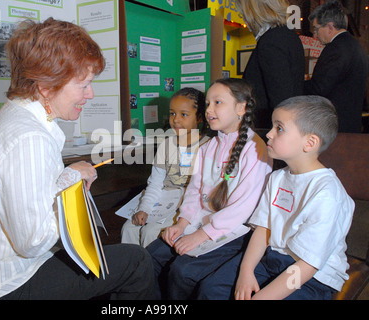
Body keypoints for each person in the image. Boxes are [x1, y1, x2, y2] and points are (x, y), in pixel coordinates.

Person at [0, 18, 155, 300]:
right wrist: (69, 179)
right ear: (46, 85)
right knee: (136, 262)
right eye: (83, 85)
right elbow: (33, 241)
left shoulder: (17, 116)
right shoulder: (28, 138)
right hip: (2, 286)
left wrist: (68, 175)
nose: (89, 94)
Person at [197, 96, 354, 300]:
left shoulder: (327, 194)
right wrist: (246, 272)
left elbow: (307, 266)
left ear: (310, 142)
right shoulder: (277, 178)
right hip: (273, 257)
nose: (269, 134)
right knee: (211, 289)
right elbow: (264, 228)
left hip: (312, 275)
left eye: (279, 128)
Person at [146, 78, 273, 299]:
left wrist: (201, 235)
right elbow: (194, 190)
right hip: (201, 220)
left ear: (241, 108)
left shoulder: (256, 150)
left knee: (182, 271)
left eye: (218, 103)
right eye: (207, 104)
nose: (209, 110)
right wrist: (182, 223)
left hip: (234, 229)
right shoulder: (210, 146)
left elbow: (242, 208)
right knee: (151, 256)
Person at [121, 87, 211, 247]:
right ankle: (131, 270)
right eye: (172, 113)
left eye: (184, 114)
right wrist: (144, 209)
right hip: (162, 200)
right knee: (129, 228)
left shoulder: (208, 146)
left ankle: (150, 271)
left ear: (198, 117)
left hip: (188, 204)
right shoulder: (166, 145)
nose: (176, 120)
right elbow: (155, 183)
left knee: (152, 232)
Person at [235, 0, 305, 129]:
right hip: (287, 125)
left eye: (243, 12)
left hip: (268, 129)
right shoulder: (289, 36)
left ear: (254, 11)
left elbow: (281, 97)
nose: (243, 17)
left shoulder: (271, 41)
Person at [305, 0, 369, 133]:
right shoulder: (355, 46)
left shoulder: (336, 48)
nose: (315, 35)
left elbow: (319, 88)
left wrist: (293, 85)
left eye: (317, 29)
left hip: (334, 126)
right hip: (350, 123)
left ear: (330, 27)